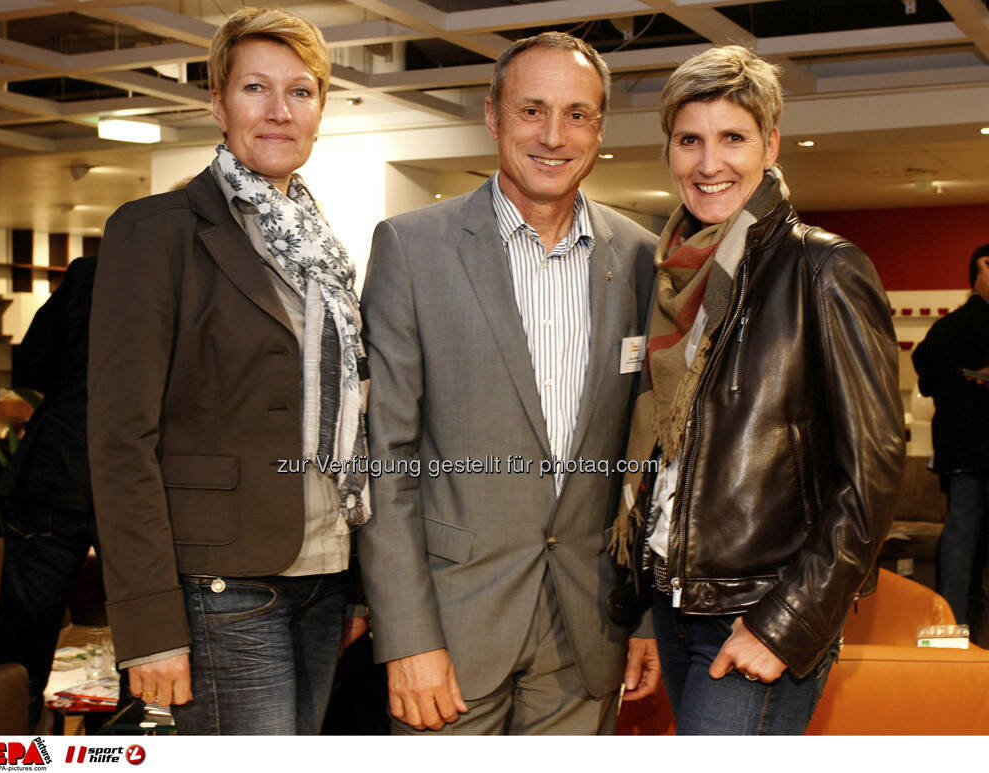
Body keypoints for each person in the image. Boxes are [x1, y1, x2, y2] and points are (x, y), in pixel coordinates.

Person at [358, 31, 659, 735]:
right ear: (493, 117)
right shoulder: (412, 247)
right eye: (533, 110)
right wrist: (404, 636)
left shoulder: (645, 258)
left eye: (577, 114)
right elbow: (384, 461)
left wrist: (643, 613)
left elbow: (649, 461)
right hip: (451, 631)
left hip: (587, 632)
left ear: (600, 127)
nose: (554, 135)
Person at [87, 7, 367, 735]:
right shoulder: (156, 232)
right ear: (217, 102)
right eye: (255, 89)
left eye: (300, 92)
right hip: (221, 583)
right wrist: (149, 626)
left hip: (323, 576)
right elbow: (121, 443)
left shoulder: (324, 253)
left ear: (319, 110)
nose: (279, 112)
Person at [611, 45, 905, 735]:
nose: (709, 164)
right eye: (690, 140)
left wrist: (787, 623)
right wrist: (647, 612)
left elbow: (873, 474)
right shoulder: (668, 281)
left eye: (732, 138)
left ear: (770, 144)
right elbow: (668, 470)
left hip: (760, 612)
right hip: (676, 610)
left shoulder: (823, 267)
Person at [0, 256, 98, 731]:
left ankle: (0, 757)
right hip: (143, 478)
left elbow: (32, 362)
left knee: (20, 650)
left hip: (57, 467)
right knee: (152, 643)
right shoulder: (203, 275)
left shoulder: (93, 272)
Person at [912, 244, 989, 628]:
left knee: (964, 532)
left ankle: (955, 619)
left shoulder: (951, 327)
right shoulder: (955, 326)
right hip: (966, 452)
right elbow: (928, 377)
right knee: (962, 531)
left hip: (964, 450)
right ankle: (951, 621)